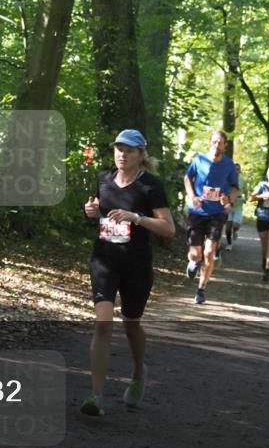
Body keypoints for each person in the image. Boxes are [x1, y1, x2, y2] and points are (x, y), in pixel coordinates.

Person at [80, 130, 174, 416]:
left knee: (131, 324)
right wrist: (92, 211)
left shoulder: (150, 187)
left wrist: (137, 218)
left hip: (136, 265)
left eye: (129, 150)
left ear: (141, 155)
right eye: (119, 149)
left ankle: (137, 374)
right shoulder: (104, 179)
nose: (122, 154)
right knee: (103, 324)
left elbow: (169, 229)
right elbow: (97, 210)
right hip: (105, 260)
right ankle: (96, 396)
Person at [183, 130, 240, 305]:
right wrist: (192, 196)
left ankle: (201, 290)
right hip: (198, 211)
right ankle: (193, 262)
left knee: (209, 252)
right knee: (195, 253)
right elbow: (187, 177)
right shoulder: (199, 159)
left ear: (225, 146)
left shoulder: (229, 165)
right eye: (214, 142)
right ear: (210, 143)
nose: (216, 145)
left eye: (220, 143)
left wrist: (228, 199)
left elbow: (235, 188)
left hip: (217, 213)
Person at [224, 163, 245, 251]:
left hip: (238, 205)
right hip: (229, 204)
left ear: (240, 170)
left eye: (238, 169)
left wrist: (245, 198)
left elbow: (245, 190)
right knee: (228, 226)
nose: (236, 170)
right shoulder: (227, 179)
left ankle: (235, 231)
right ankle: (229, 244)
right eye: (235, 169)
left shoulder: (242, 180)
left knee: (236, 225)